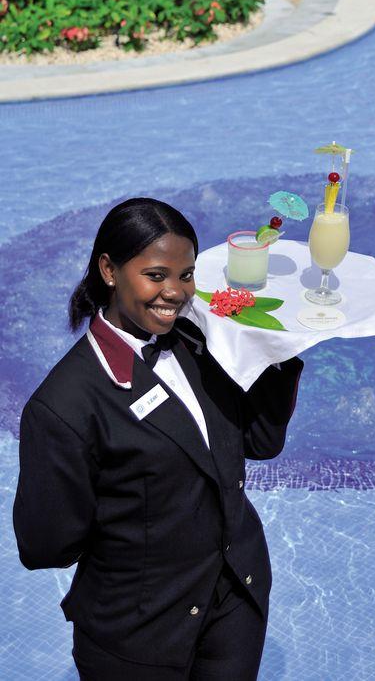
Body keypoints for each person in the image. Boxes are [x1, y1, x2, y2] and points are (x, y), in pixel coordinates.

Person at [13, 197, 303, 681]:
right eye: (155, 275)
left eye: (186, 275)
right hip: (139, 634)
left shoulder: (202, 343)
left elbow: (260, 441)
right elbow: (47, 546)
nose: (175, 292)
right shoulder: (63, 406)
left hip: (235, 604)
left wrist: (277, 346)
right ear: (109, 270)